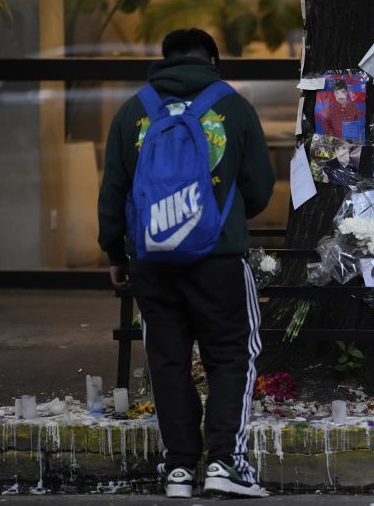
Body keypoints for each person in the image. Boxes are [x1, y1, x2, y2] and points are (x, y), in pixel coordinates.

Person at [97, 28, 274, 498]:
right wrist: (224, 217)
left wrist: (117, 253)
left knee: (168, 361)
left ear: (165, 59)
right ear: (213, 60)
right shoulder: (232, 106)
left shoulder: (134, 110)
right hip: (218, 259)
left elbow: (113, 190)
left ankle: (178, 470)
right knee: (232, 355)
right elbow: (258, 188)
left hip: (152, 263)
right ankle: (224, 464)